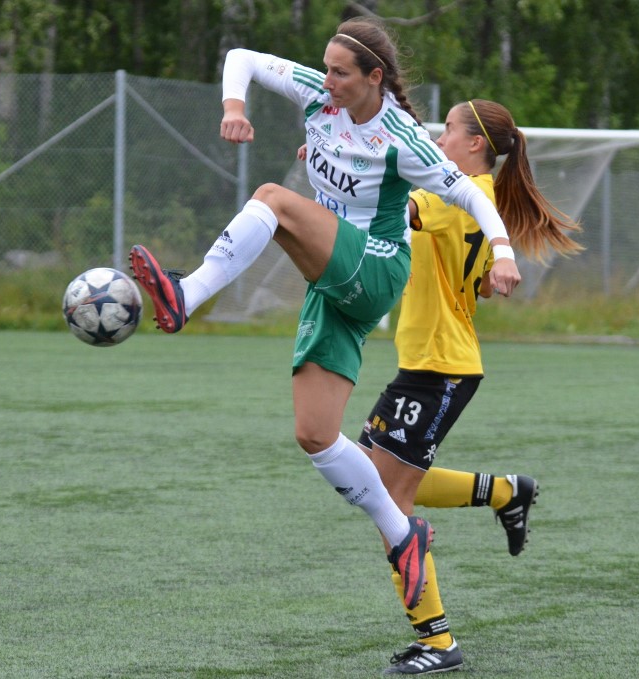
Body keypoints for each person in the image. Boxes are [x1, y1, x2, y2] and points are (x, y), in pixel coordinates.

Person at [127, 18, 521, 616]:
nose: (327, 80)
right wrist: (234, 107)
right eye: (326, 68)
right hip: (333, 281)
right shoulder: (320, 93)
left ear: (374, 77)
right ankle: (403, 535)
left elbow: (469, 194)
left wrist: (505, 252)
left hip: (376, 266)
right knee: (315, 434)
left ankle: (186, 297)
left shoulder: (402, 135)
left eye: (340, 72)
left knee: (272, 199)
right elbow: (241, 57)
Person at [356, 99, 582, 674]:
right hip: (430, 363)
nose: (439, 138)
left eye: (449, 130)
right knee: (369, 473)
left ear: (475, 143)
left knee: (390, 501)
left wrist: (347, 165)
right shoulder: (478, 198)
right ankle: (504, 492)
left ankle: (437, 643)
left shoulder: (455, 195)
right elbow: (480, 286)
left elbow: (395, 209)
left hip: (440, 368)